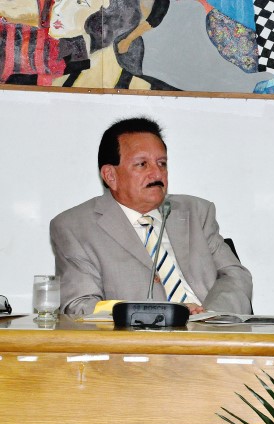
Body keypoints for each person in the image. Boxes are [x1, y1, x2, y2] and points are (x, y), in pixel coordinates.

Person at [50, 117, 252, 315]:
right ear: (110, 175)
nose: (157, 174)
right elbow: (80, 305)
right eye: (142, 164)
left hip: (210, 337)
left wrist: (211, 316)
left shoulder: (197, 212)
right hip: (138, 344)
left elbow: (235, 275)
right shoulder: (75, 227)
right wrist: (163, 315)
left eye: (162, 163)